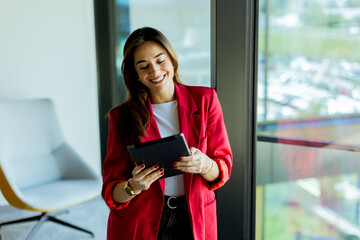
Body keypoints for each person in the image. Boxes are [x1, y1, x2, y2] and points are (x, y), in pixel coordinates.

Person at [102, 27, 232, 240]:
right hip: (142, 220)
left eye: (160, 61)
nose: (154, 71)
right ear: (135, 75)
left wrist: (205, 165)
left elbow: (223, 167)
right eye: (143, 66)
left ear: (172, 60)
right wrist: (133, 186)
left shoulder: (205, 99)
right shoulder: (121, 116)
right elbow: (110, 190)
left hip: (193, 217)